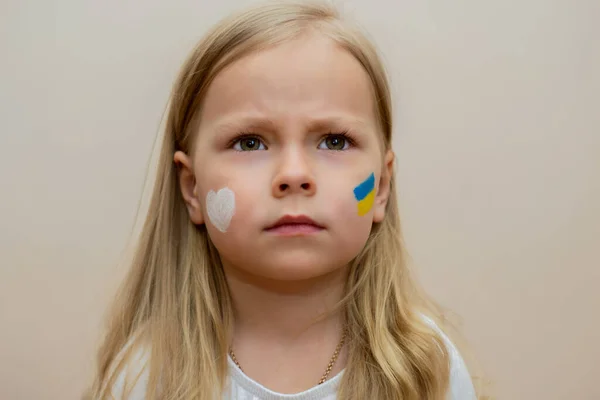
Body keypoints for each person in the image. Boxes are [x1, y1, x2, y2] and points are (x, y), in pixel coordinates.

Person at [87, 1, 478, 399]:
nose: (294, 174)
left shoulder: (427, 374)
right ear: (193, 189)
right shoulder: (147, 379)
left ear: (379, 188)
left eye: (334, 141)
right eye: (250, 142)